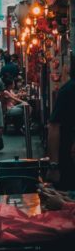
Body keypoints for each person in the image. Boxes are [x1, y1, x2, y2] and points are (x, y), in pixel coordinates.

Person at [47, 54, 75, 190]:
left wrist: (54, 165)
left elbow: (54, 127)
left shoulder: (67, 90)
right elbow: (54, 127)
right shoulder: (68, 90)